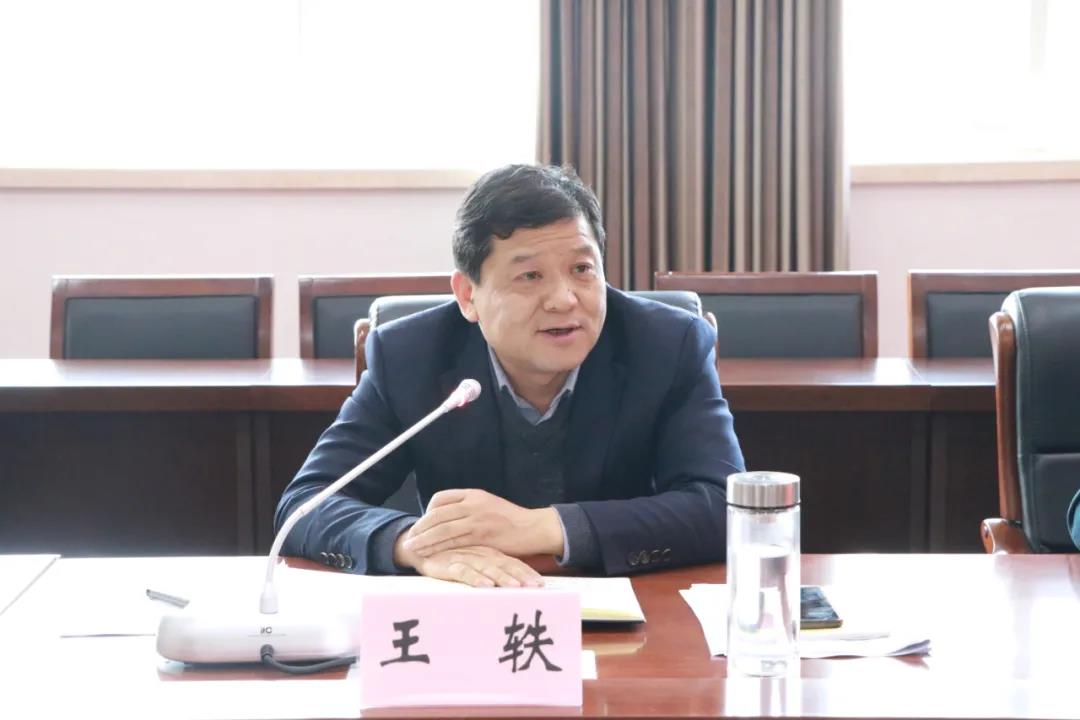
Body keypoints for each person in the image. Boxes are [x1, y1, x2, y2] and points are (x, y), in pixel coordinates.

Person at [275, 164, 745, 587]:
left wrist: (539, 527)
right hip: (470, 612)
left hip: (631, 613)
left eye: (582, 269)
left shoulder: (666, 345)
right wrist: (410, 542)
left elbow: (725, 506)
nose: (564, 299)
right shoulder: (410, 357)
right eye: (530, 276)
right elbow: (305, 506)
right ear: (468, 295)